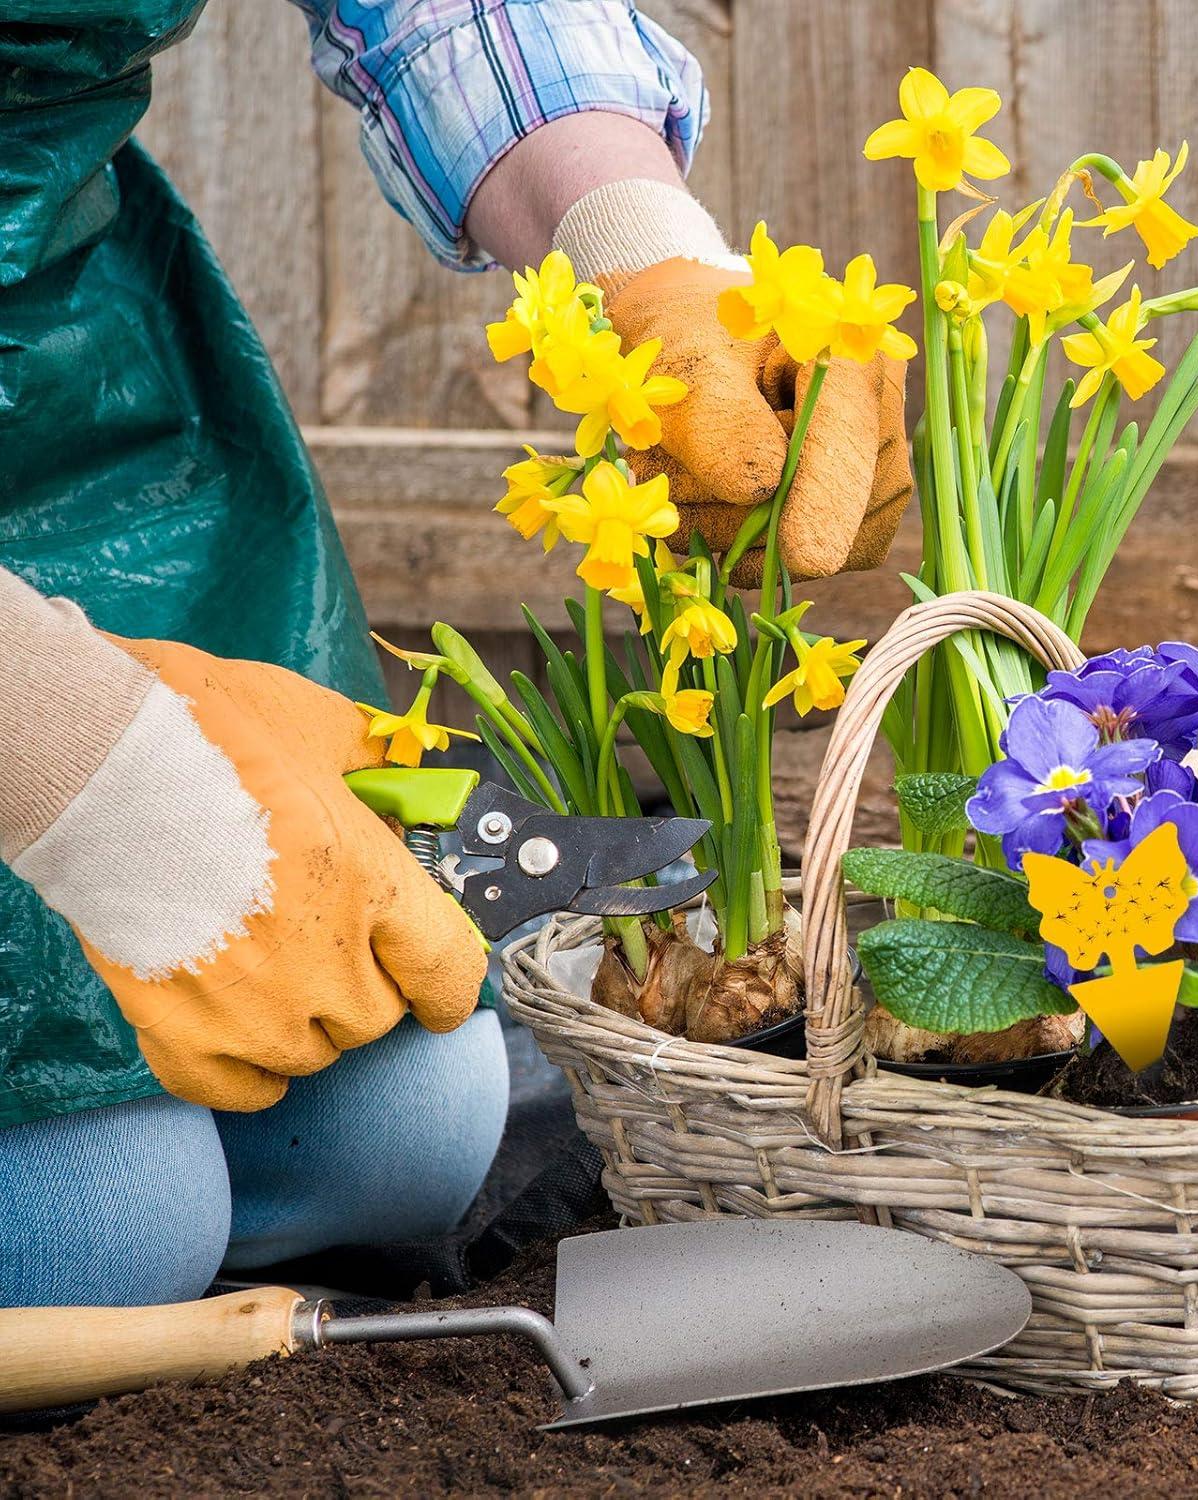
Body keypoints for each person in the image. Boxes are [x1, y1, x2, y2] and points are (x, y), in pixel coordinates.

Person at [0, 0, 911, 1309]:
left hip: (73, 366)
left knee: (406, 1132)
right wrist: (67, 751)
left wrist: (644, 261)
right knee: (110, 1237)